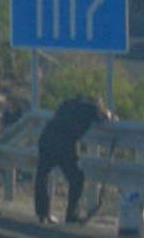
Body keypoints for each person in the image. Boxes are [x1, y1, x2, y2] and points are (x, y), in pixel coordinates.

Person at [35, 96, 114, 225]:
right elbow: (104, 115)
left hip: (47, 138)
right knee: (77, 178)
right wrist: (110, 115)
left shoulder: (69, 102)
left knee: (42, 176)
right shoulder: (91, 108)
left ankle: (43, 213)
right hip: (63, 143)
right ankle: (71, 214)